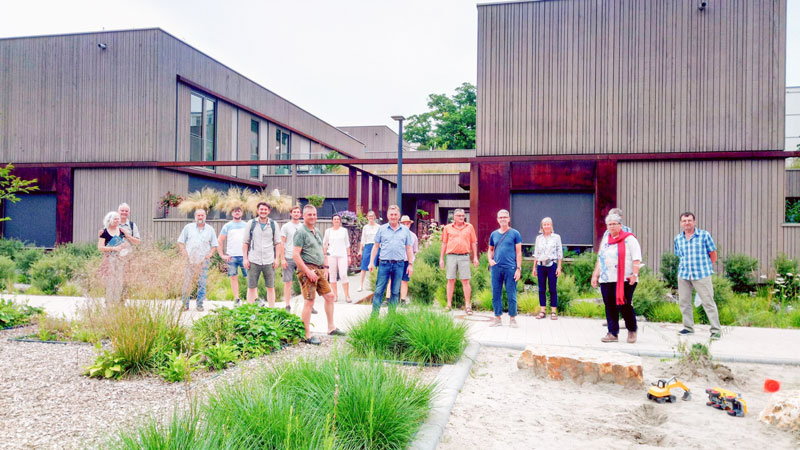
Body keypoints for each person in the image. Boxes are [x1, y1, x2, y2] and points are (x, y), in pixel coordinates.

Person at [293, 204, 345, 345]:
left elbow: (322, 250)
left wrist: (326, 267)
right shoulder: (301, 232)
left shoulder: (317, 231)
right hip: (307, 270)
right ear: (304, 216)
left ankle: (331, 328)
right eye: (310, 214)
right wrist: (307, 271)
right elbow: (296, 255)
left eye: (314, 214)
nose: (313, 217)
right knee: (309, 301)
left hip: (319, 270)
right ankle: (306, 335)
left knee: (330, 296)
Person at [591, 213, 641, 343]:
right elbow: (601, 258)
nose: (612, 226)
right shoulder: (606, 239)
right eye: (609, 224)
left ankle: (632, 329)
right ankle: (612, 333)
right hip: (607, 278)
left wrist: (635, 274)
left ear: (620, 225)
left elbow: (636, 258)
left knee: (624, 305)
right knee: (610, 306)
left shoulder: (629, 239)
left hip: (625, 278)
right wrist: (595, 275)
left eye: (614, 224)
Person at [674, 212, 721, 340]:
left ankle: (716, 330)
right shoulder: (678, 238)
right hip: (684, 274)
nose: (687, 223)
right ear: (681, 223)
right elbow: (679, 255)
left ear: (694, 222)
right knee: (684, 302)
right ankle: (688, 327)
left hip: (701, 274)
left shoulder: (704, 235)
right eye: (684, 221)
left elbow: (713, 254)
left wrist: (706, 267)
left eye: (689, 220)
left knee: (708, 302)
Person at [368, 205, 414, 314]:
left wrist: (410, 264)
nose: (393, 217)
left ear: (399, 216)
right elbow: (375, 246)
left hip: (399, 265)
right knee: (379, 291)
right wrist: (371, 262)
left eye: (395, 215)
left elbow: (408, 248)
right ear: (388, 216)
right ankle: (374, 318)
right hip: (384, 264)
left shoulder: (405, 231)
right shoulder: (382, 229)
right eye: (391, 214)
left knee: (395, 292)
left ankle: (391, 318)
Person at [177, 209, 218, 312]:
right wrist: (185, 254)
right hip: (189, 260)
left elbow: (214, 245)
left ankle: (200, 305)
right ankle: (185, 305)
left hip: (203, 261)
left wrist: (209, 255)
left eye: (202, 215)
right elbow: (180, 242)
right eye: (198, 215)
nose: (200, 217)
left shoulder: (210, 229)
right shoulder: (188, 228)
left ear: (205, 216)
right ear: (195, 217)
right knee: (187, 282)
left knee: (202, 283)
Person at [243, 202, 282, 307]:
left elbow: (278, 243)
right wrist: (245, 259)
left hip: (269, 260)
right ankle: (250, 311)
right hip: (253, 260)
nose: (263, 211)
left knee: (270, 287)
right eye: (261, 209)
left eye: (265, 209)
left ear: (269, 211)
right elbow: (245, 242)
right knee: (251, 287)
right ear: (257, 210)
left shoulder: (274, 224)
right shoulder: (251, 223)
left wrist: (277, 259)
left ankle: (271, 310)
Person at [487, 209, 522, 327]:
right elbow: (490, 249)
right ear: (497, 219)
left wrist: (518, 268)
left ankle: (512, 318)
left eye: (505, 217)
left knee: (511, 294)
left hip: (510, 268)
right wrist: (490, 260)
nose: (502, 219)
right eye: (500, 217)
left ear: (509, 219)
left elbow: (518, 253)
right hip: (496, 268)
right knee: (496, 293)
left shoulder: (515, 233)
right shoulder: (494, 234)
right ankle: (497, 318)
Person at [439, 209, 478, 313]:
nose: (461, 217)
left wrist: (475, 257)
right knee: (450, 280)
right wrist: (441, 258)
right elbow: (444, 243)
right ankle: (448, 305)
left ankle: (468, 305)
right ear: (454, 217)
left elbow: (473, 242)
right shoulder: (447, 228)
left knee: (465, 280)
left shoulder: (469, 227)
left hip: (464, 256)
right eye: (459, 216)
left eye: (462, 215)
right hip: (451, 256)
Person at [532, 217, 563, 320]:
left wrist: (559, 267)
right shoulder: (538, 238)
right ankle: (542, 311)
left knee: (552, 288)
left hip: (552, 265)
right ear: (542, 226)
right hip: (540, 265)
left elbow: (559, 253)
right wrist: (534, 267)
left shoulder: (556, 237)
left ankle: (553, 312)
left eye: (548, 224)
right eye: (544, 224)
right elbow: (536, 253)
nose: (546, 226)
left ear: (552, 225)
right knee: (541, 289)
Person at [97, 211, 131, 302]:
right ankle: (109, 302)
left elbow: (125, 244)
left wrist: (124, 246)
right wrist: (114, 248)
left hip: (120, 259)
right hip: (109, 259)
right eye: (115, 219)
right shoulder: (104, 232)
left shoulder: (121, 231)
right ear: (109, 220)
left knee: (119, 280)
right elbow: (100, 247)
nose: (117, 220)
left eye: (118, 219)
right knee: (110, 281)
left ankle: (117, 302)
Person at [218, 206, 248, 306]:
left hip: (245, 256)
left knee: (249, 277)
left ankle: (252, 298)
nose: (237, 213)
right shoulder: (227, 226)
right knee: (234, 278)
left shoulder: (246, 225)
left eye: (239, 211)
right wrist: (222, 255)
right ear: (232, 214)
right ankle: (237, 300)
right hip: (232, 257)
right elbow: (220, 240)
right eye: (235, 211)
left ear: (242, 213)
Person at [280, 205, 308, 313]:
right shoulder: (286, 227)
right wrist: (282, 259)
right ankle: (287, 305)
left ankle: (307, 304)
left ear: (300, 214)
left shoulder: (303, 227)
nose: (296, 214)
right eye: (294, 212)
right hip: (289, 257)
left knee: (304, 282)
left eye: (298, 212)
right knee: (288, 283)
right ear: (291, 214)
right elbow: (282, 243)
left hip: (301, 258)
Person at [323, 214, 352, 303]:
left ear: (340, 221)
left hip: (342, 255)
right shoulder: (328, 231)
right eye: (334, 219)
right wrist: (325, 256)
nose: (336, 220)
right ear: (332, 221)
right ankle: (335, 295)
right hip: (331, 255)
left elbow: (347, 244)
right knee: (332, 275)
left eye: (338, 219)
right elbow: (324, 244)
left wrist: (349, 256)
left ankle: (347, 295)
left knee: (343, 274)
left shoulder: (344, 231)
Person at [399, 215, 419, 304]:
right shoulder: (397, 234)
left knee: (405, 280)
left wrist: (411, 263)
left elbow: (414, 250)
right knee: (392, 280)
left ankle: (403, 300)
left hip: (407, 261)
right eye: (404, 223)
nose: (406, 225)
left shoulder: (413, 236)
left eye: (408, 223)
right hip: (397, 260)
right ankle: (388, 299)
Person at [358, 211, 380, 291]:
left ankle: (373, 284)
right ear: (367, 217)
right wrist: (360, 250)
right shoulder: (365, 227)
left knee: (374, 266)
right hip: (367, 247)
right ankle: (361, 285)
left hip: (376, 246)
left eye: (372, 216)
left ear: (374, 217)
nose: (371, 218)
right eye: (369, 216)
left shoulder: (378, 227)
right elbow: (363, 239)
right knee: (364, 266)